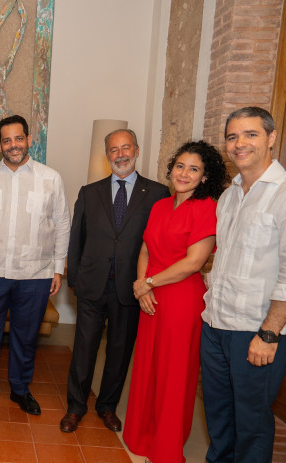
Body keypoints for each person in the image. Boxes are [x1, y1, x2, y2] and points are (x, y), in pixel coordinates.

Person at [201, 106, 286, 462]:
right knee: (218, 416)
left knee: (251, 422)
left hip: (257, 330)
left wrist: (269, 333)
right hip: (216, 324)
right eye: (232, 137)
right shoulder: (230, 195)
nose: (239, 144)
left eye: (250, 134)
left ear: (271, 138)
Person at [122, 141, 228, 462]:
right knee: (147, 367)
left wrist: (148, 283)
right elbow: (145, 250)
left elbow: (193, 263)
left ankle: (167, 446)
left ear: (205, 176)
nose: (184, 173)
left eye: (194, 169)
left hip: (181, 298)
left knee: (174, 374)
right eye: (180, 166)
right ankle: (140, 435)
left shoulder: (207, 207)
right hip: (150, 295)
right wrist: (142, 287)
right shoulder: (160, 206)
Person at [61, 128, 169, 433]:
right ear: (106, 154)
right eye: (113, 149)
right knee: (83, 350)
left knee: (120, 353)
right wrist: (75, 279)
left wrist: (149, 282)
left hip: (131, 287)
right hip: (92, 285)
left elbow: (157, 243)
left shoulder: (158, 194)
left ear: (135, 149)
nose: (120, 154)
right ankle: (76, 406)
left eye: (125, 148)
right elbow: (76, 238)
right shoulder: (89, 192)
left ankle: (107, 406)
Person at [0, 115, 70, 416]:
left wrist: (58, 268)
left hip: (34, 274)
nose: (14, 145)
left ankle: (20, 390)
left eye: (19, 138)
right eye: (7, 140)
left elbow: (62, 224)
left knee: (26, 336)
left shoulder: (51, 178)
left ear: (29, 138)